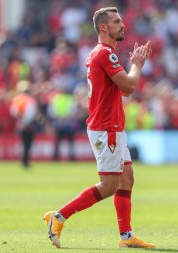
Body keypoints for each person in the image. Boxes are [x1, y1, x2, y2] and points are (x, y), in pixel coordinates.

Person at [43, 7, 155, 249]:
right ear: (103, 27)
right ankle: (58, 217)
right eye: (116, 22)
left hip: (112, 126)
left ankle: (126, 237)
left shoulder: (102, 54)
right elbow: (130, 85)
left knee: (127, 179)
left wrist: (132, 70)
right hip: (107, 128)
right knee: (109, 186)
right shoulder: (105, 54)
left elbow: (124, 89)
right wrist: (137, 65)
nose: (122, 25)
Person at [10, 81, 38, 168]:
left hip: (19, 124)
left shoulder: (17, 99)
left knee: (24, 144)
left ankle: (24, 161)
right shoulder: (30, 100)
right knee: (27, 144)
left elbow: (13, 112)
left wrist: (20, 120)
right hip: (28, 124)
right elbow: (31, 114)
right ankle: (25, 161)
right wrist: (25, 122)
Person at [47, 90, 77, 161]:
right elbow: (74, 111)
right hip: (68, 123)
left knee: (58, 142)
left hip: (59, 122)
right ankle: (71, 158)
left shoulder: (56, 98)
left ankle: (56, 158)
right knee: (70, 142)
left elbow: (51, 111)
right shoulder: (70, 99)